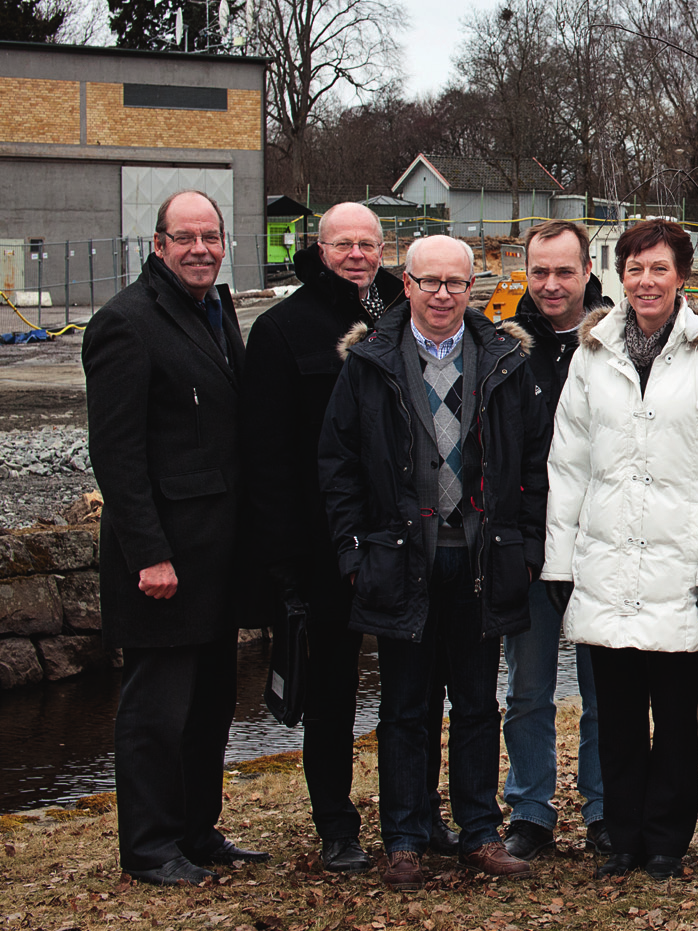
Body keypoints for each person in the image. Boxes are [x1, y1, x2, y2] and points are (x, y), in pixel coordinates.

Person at [319, 235, 552, 888]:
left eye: (456, 282)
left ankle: (479, 831)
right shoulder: (369, 362)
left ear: (472, 285)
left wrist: (528, 547)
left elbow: (534, 459)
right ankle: (405, 836)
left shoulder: (503, 358)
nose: (444, 294)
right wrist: (352, 550)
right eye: (430, 282)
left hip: (482, 557)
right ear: (407, 283)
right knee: (404, 706)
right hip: (400, 560)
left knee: (478, 703)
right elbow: (335, 463)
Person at [241, 202, 460, 873]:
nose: (357, 254)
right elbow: (268, 455)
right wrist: (283, 563)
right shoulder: (282, 330)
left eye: (368, 243)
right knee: (333, 692)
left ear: (383, 248)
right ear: (320, 247)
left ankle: (419, 811)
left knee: (418, 688)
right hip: (324, 540)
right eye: (343, 243)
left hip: (410, 536)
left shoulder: (410, 311)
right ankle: (336, 824)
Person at [541, 218, 698, 880]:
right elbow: (567, 466)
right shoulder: (591, 354)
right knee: (619, 715)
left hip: (680, 568)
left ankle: (666, 837)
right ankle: (623, 836)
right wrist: (558, 560)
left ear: (681, 277)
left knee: (674, 715)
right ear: (620, 276)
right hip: (604, 561)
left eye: (658, 268)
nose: (646, 280)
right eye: (634, 268)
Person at [84, 189, 268, 886]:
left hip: (217, 558)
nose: (200, 248)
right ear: (157, 244)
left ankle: (196, 828)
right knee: (156, 711)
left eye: (210, 236)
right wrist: (149, 552)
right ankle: (151, 846)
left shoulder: (216, 312)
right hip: (163, 560)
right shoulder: (125, 325)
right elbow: (118, 454)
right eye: (185, 237)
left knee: (212, 704)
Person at [500, 220, 615, 860]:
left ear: (585, 273)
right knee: (528, 685)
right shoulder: (503, 347)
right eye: (539, 272)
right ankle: (531, 810)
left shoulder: (615, 344)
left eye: (564, 272)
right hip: (529, 538)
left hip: (603, 540)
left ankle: (602, 806)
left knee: (604, 685)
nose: (551, 284)